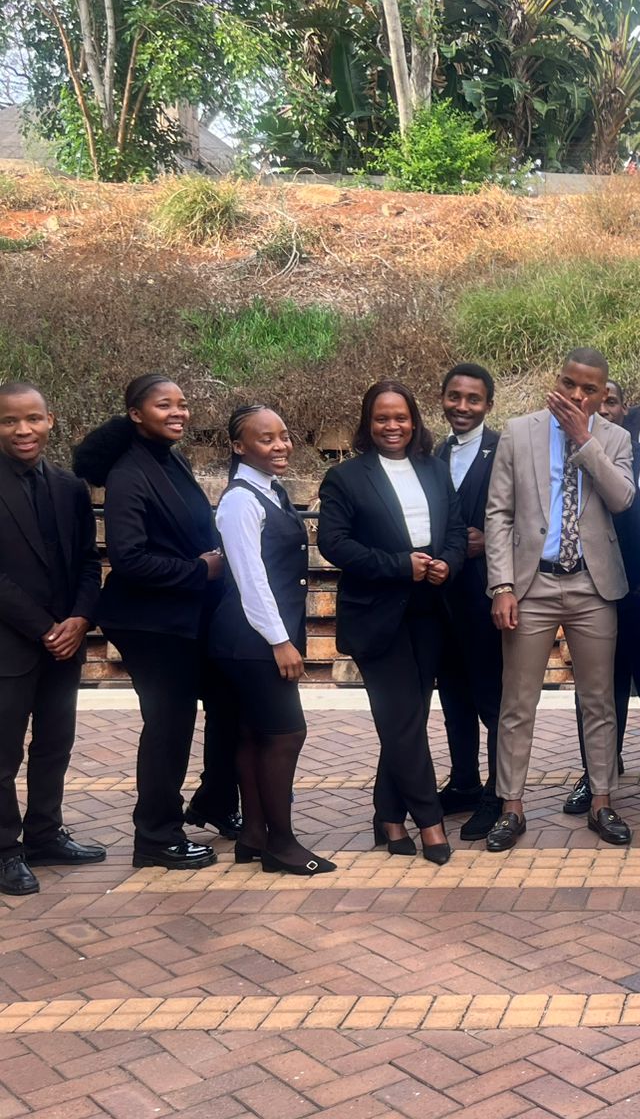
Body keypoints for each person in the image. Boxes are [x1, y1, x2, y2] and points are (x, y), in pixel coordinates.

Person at [74, 374, 240, 870]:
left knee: (229, 702)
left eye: (182, 404)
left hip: (187, 614)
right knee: (169, 725)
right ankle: (155, 836)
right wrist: (199, 570)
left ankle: (213, 803)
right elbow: (128, 559)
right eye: (164, 405)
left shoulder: (171, 459)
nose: (178, 413)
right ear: (136, 414)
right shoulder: (129, 473)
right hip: (149, 623)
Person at [482, 348, 638, 851]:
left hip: (593, 585)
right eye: (569, 383)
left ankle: (602, 801)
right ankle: (511, 807)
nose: (576, 395)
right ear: (557, 380)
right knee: (518, 702)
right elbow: (498, 514)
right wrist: (502, 585)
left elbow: (623, 499)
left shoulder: (615, 438)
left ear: (603, 393)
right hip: (532, 585)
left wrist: (583, 439)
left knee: (599, 700)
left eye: (589, 389)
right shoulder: (518, 432)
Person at [318, 380, 465, 865]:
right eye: (381, 418)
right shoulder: (345, 477)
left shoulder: (434, 469)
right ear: (368, 423)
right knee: (402, 719)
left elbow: (457, 529)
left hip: (429, 611)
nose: (392, 426)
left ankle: (388, 816)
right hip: (377, 615)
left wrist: (448, 562)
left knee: (407, 720)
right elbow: (334, 544)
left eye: (400, 417)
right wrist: (400, 565)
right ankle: (429, 821)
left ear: (414, 421)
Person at [210, 405, 335, 876]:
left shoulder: (270, 490)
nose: (281, 445)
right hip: (252, 638)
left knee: (253, 734)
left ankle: (254, 835)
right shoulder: (240, 501)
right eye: (266, 439)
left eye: (284, 435)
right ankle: (281, 843)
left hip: (254, 636)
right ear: (239, 446)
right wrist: (280, 641)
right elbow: (250, 578)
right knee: (286, 734)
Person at [0, 383, 103, 896]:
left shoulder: (69, 486)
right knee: (3, 755)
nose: (23, 430)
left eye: (33, 419)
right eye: (9, 421)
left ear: (50, 421)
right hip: (11, 644)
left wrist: (80, 618)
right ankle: (5, 850)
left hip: (66, 641)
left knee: (54, 744)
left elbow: (88, 561)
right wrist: (44, 628)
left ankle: (44, 834)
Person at [572, 374, 640, 819]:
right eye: (599, 402)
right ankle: (596, 772)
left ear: (623, 411)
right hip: (591, 592)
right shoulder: (569, 456)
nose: (604, 409)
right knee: (598, 689)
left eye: (611, 402)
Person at [434, 364, 504, 842]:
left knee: (492, 700)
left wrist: (492, 541)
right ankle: (463, 782)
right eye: (454, 396)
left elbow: (526, 515)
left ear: (488, 405)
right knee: (453, 696)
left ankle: (498, 793)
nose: (462, 406)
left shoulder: (503, 450)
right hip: (441, 598)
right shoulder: (434, 453)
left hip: (486, 594)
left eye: (473, 399)